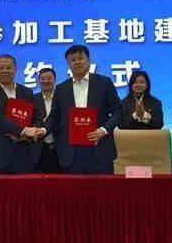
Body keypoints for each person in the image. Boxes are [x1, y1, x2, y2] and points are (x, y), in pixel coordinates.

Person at [39, 45, 122, 174]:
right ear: (68, 64)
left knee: (102, 187)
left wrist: (104, 130)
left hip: (99, 149)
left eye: (80, 58)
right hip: (71, 154)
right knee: (73, 188)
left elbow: (118, 110)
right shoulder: (61, 88)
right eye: (72, 60)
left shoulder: (104, 83)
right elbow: (55, 116)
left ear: (88, 60)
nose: (77, 62)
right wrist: (43, 130)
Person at [0, 54, 43, 174]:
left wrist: (29, 134)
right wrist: (23, 130)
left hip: (24, 154)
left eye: (8, 67)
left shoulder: (27, 92)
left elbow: (37, 117)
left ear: (15, 70)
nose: (5, 71)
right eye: (1, 68)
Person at [32, 67, 60, 173]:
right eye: (43, 78)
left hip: (60, 150)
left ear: (55, 80)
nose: (46, 81)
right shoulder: (32, 99)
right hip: (38, 150)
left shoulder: (62, 98)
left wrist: (52, 123)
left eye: (49, 78)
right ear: (39, 81)